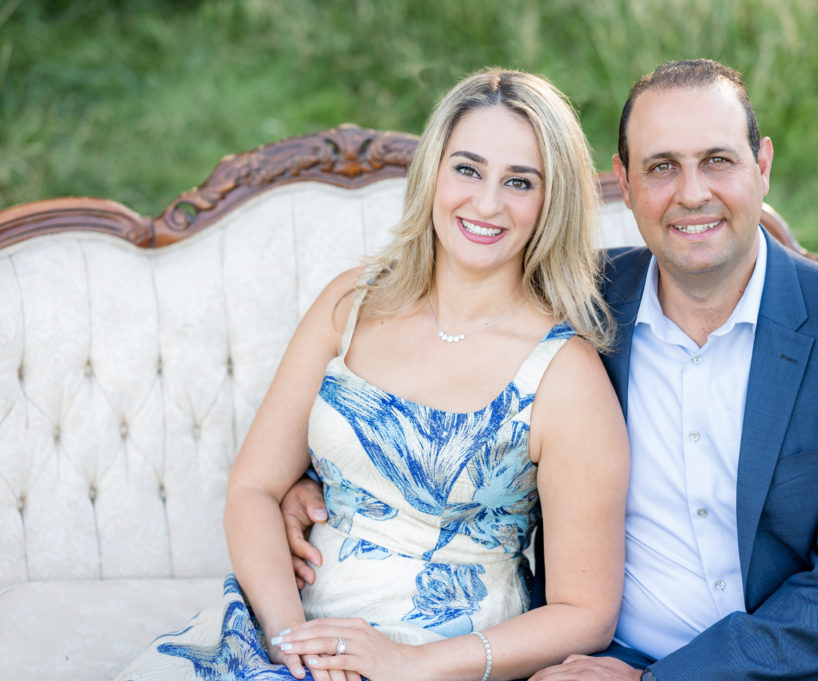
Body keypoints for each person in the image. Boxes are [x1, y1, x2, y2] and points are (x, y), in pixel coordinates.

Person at [285, 60, 818, 681]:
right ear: (623, 182)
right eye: (661, 166)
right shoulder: (578, 307)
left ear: (763, 165)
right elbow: (457, 388)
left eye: (717, 160)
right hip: (607, 654)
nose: (691, 193)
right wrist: (316, 482)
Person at [115, 69, 629, 681]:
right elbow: (253, 488)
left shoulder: (564, 374)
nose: (487, 203)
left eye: (519, 182)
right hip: (289, 633)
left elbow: (586, 612)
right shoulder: (353, 304)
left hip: (439, 659)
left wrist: (412, 664)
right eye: (467, 169)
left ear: (552, 201)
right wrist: (289, 641)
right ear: (434, 172)